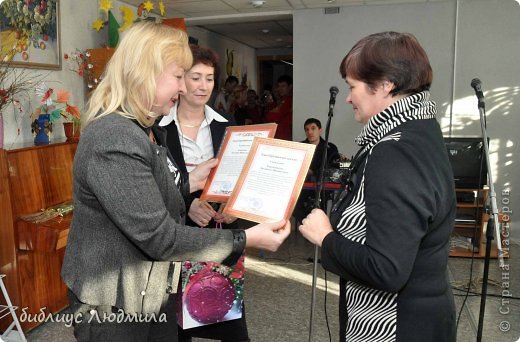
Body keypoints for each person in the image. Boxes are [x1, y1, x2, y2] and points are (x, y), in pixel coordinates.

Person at [61, 22, 290, 342]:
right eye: (179, 76)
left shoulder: (140, 129)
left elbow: (142, 198)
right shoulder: (114, 136)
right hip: (117, 302)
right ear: (146, 72)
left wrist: (187, 183)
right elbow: (160, 237)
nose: (184, 88)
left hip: (150, 289)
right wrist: (245, 239)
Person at [299, 31, 456, 342]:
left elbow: (386, 269)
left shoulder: (394, 151)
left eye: (352, 87)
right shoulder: (420, 130)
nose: (348, 97)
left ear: (385, 84)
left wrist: (326, 237)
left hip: (396, 326)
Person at [159, 44, 249, 342]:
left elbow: (237, 174)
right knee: (176, 320)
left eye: (209, 78)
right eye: (195, 77)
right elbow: (155, 182)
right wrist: (189, 205)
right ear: (180, 82)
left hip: (218, 230)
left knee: (228, 315)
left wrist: (232, 206)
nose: (203, 86)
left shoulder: (226, 124)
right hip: (175, 233)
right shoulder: (159, 127)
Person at [293, 118, 339, 224]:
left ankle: (315, 223)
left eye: (313, 128)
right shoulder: (300, 146)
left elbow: (333, 167)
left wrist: (313, 171)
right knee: (293, 200)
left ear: (320, 130)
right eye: (307, 129)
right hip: (303, 184)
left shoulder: (330, 147)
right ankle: (306, 222)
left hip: (322, 186)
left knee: (319, 199)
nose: (310, 132)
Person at [265, 75, 293, 140]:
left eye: (283, 86)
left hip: (284, 136)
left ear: (290, 87)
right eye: (278, 86)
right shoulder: (281, 101)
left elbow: (272, 117)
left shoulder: (289, 100)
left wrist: (272, 112)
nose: (280, 89)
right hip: (278, 135)